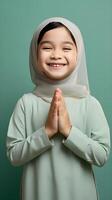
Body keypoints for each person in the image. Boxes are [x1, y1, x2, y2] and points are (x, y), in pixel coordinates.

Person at [6, 17, 110, 200]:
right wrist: (46, 132)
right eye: (47, 47)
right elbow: (14, 155)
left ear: (79, 54)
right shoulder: (26, 103)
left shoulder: (89, 103)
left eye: (66, 48)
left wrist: (69, 131)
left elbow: (101, 155)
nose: (56, 55)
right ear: (34, 53)